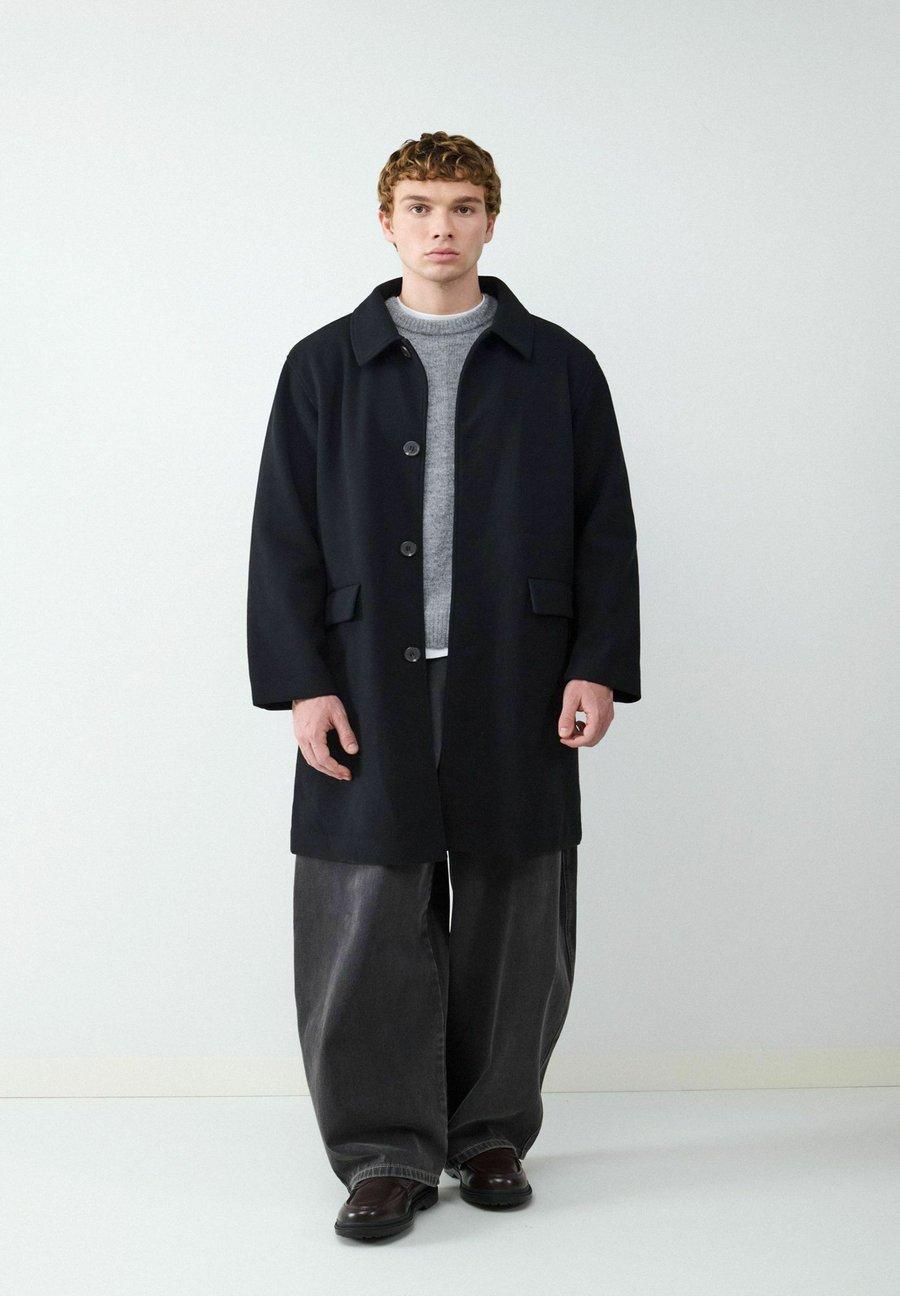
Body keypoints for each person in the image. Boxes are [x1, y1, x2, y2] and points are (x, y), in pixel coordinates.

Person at [247, 130, 641, 1241]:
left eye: (463, 207)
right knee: (367, 909)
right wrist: (301, 682)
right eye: (420, 206)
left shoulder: (557, 365)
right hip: (366, 677)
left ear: (490, 222)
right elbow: (283, 534)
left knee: (517, 907)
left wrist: (597, 662)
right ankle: (384, 1152)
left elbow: (604, 524)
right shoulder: (323, 365)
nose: (441, 227)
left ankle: (489, 1134)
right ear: (386, 222)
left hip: (518, 673)